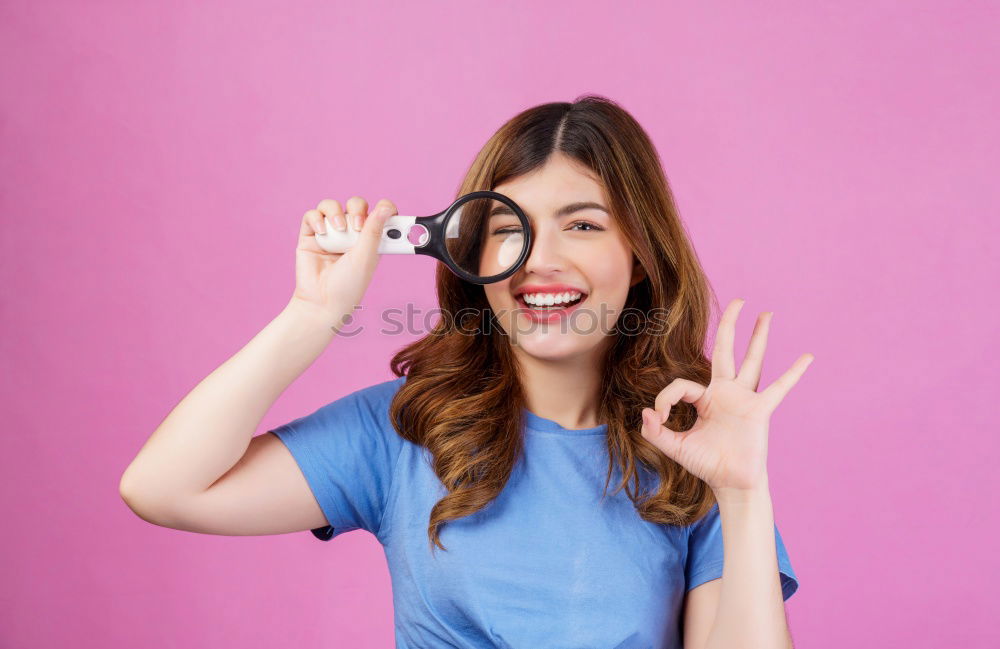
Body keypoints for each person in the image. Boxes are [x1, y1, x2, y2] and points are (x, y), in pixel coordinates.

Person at [120, 95, 813, 649]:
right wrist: (311, 313)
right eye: (511, 229)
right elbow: (163, 488)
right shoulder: (403, 430)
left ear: (639, 257)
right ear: (472, 255)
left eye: (583, 225)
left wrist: (743, 494)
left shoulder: (693, 451)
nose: (541, 261)